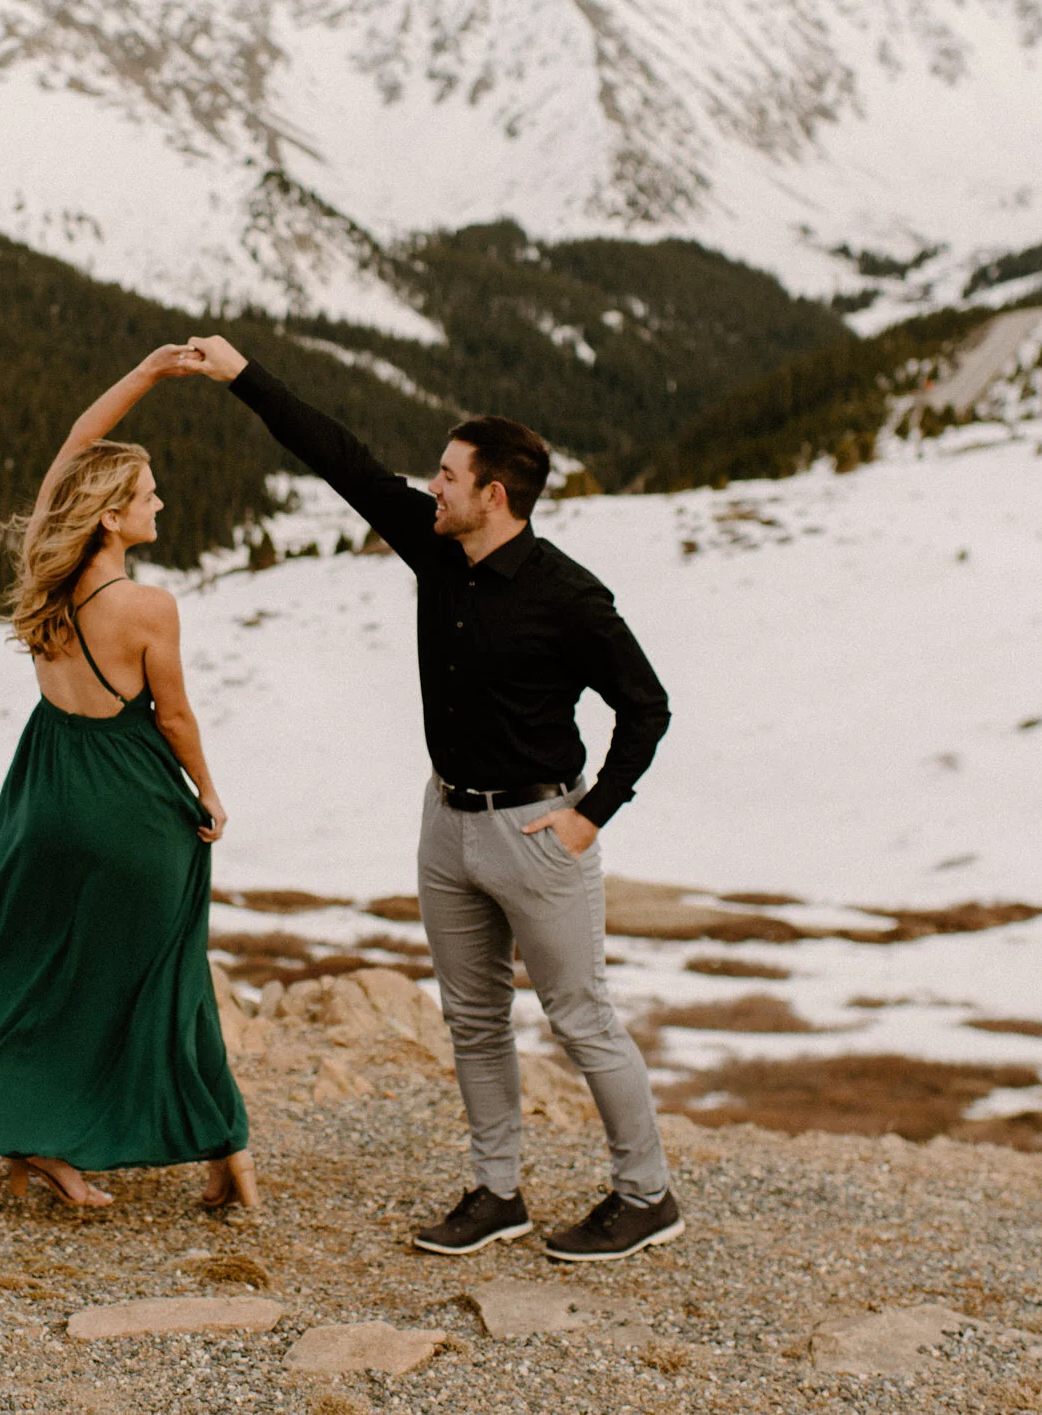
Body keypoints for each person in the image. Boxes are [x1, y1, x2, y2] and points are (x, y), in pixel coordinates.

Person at [184, 334, 677, 1262]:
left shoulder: (570, 597)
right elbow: (340, 458)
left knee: (580, 1017)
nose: (432, 486)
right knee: (474, 1019)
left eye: (448, 475)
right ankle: (498, 1192)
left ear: (495, 495)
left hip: (537, 830)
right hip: (446, 825)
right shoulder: (435, 547)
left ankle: (646, 1192)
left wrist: (592, 812)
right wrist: (241, 374)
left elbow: (646, 707)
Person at [0, 345, 259, 1213]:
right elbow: (175, 719)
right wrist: (210, 794)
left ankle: (39, 1141)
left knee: (36, 967)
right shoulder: (147, 607)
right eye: (148, 494)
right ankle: (221, 1145)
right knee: (160, 970)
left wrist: (149, 372)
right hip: (129, 801)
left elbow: (81, 436)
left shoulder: (45, 569)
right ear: (114, 518)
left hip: (46, 793)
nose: (162, 502)